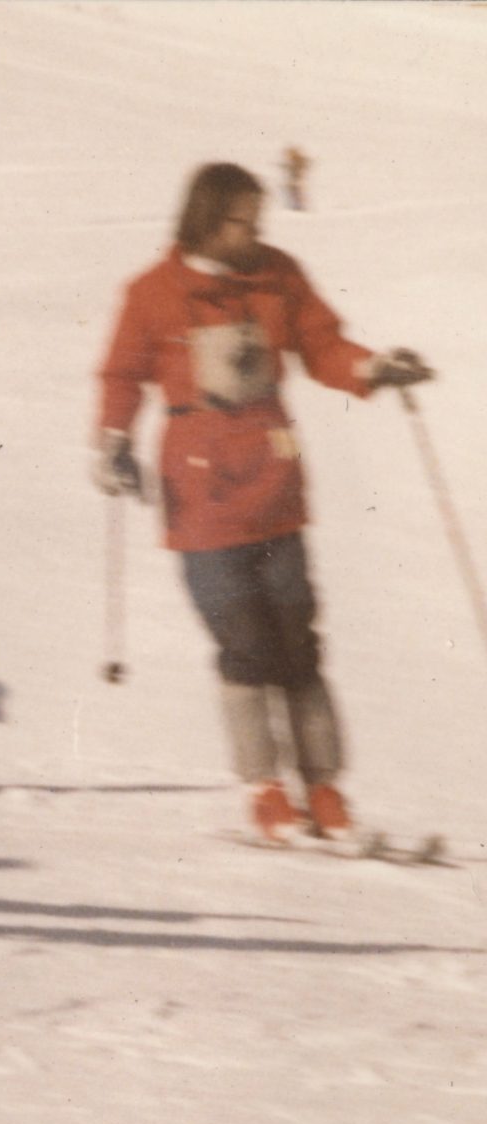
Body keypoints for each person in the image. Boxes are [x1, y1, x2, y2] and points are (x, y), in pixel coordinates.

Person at [93, 161, 431, 841]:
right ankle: (268, 792)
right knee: (245, 643)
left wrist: (372, 367)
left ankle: (326, 791)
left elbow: (321, 344)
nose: (257, 233)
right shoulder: (152, 293)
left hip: (274, 486)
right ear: (207, 220)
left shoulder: (278, 275)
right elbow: (124, 373)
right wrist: (112, 442)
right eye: (243, 221)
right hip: (201, 498)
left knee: (298, 640)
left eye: (259, 220)